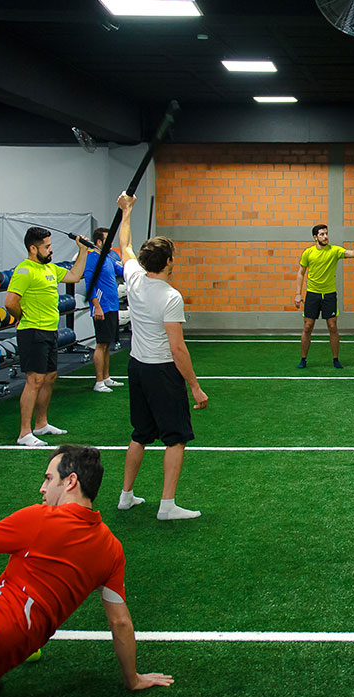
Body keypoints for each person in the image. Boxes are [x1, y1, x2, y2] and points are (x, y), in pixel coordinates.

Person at [0, 445, 172, 690]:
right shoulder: (112, 549)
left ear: (70, 481)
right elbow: (120, 622)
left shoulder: (39, 519)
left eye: (49, 479)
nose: (42, 487)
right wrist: (133, 679)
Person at [116, 193, 208, 520]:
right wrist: (195, 387)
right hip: (162, 374)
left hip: (137, 369)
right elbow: (177, 349)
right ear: (169, 262)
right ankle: (167, 506)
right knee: (176, 438)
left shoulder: (134, 277)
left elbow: (123, 245)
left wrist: (126, 211)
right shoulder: (171, 297)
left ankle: (125, 496)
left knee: (140, 434)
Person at [5, 227, 87, 446]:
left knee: (49, 378)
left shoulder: (50, 268)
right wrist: (23, 317)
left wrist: (83, 251)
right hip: (32, 331)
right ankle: (24, 433)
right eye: (46, 247)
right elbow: (10, 302)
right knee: (34, 380)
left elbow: (74, 276)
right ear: (33, 248)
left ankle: (41, 424)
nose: (51, 250)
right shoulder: (24, 271)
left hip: (50, 331)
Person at [294, 224, 354, 369]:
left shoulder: (334, 250)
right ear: (315, 237)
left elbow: (352, 254)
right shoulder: (308, 253)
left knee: (332, 326)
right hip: (312, 294)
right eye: (322, 234)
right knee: (308, 326)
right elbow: (301, 273)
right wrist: (298, 294)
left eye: (326, 233)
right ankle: (303, 359)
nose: (325, 236)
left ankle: (335, 359)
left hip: (329, 295)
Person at [83, 227, 125, 393]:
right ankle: (99, 381)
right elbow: (89, 283)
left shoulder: (107, 258)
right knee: (101, 344)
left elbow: (121, 271)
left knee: (107, 344)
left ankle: (106, 377)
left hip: (113, 305)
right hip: (102, 307)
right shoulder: (92, 259)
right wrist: (97, 306)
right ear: (99, 242)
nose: (111, 243)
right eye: (108, 240)